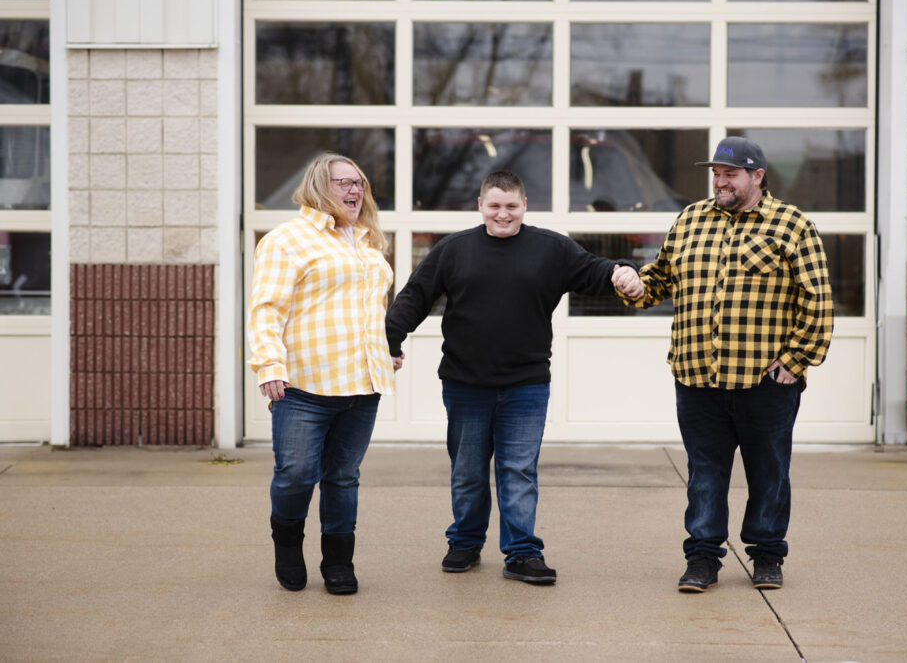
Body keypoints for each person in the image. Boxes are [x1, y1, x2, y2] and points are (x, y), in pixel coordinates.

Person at [385, 170, 643, 585]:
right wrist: (390, 341)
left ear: (524, 206)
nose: (502, 214)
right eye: (494, 205)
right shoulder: (454, 250)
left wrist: (624, 271)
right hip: (466, 385)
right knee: (467, 471)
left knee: (518, 471)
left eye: (511, 206)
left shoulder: (550, 249)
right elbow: (415, 296)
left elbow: (597, 271)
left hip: (526, 385)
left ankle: (522, 553)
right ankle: (465, 543)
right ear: (480, 206)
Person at [618, 137, 833, 592]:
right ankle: (702, 559)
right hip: (697, 377)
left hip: (765, 382)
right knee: (704, 473)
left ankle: (767, 556)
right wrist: (634, 284)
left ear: (757, 176)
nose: (720, 181)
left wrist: (796, 362)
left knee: (769, 472)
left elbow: (817, 302)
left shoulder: (792, 225)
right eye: (716, 173)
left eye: (730, 174)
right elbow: (660, 281)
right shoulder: (690, 219)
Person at [247, 152, 399, 595]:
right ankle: (288, 546)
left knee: (343, 477)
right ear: (317, 186)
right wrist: (269, 364)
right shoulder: (287, 240)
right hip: (304, 388)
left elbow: (368, 308)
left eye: (359, 183)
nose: (355, 191)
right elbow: (265, 309)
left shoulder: (367, 241)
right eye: (343, 183)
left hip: (361, 386)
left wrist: (382, 350)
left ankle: (338, 563)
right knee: (296, 474)